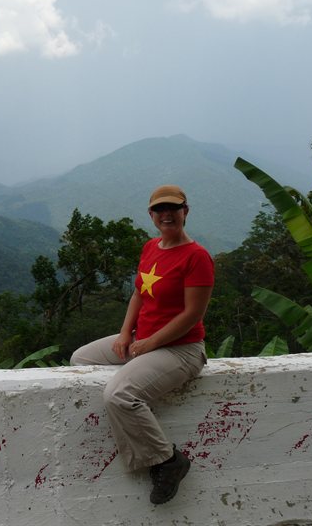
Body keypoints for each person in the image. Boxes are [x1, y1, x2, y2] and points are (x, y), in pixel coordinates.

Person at [70, 184, 214, 505]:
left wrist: (150, 344)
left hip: (181, 350)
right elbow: (138, 293)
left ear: (185, 212)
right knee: (81, 359)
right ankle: (137, 428)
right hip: (141, 341)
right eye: (160, 209)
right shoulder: (151, 247)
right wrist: (125, 334)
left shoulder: (197, 257)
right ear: (151, 215)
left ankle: (167, 460)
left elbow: (192, 315)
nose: (167, 214)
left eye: (173, 208)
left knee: (119, 395)